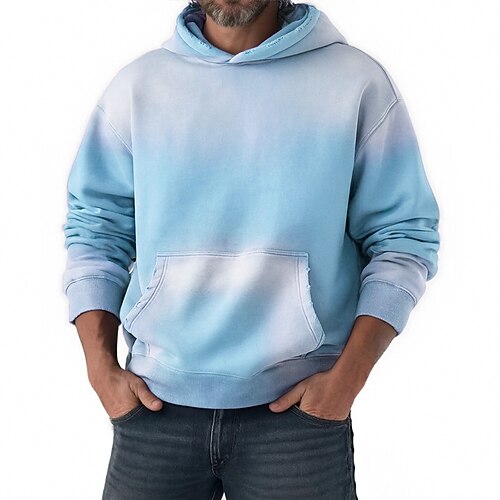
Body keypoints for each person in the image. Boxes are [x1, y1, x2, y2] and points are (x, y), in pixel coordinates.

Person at [61, 1, 440, 498]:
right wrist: (100, 369)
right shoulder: (138, 88)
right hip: (154, 408)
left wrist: (346, 381)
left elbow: (404, 237)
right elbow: (95, 231)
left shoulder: (355, 83)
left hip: (298, 415)